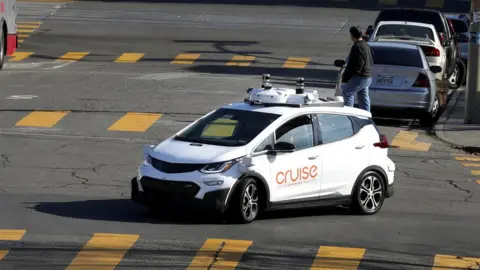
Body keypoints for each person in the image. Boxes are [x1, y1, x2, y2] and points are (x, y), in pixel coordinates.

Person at [341, 26, 374, 112]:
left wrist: (346, 78)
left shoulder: (357, 47)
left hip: (360, 77)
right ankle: (366, 117)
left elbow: (355, 64)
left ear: (352, 35)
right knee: (363, 96)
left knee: (347, 93)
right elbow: (371, 58)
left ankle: (348, 115)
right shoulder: (366, 45)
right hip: (368, 76)